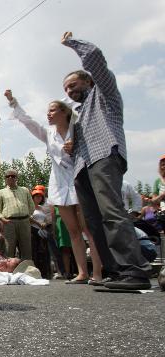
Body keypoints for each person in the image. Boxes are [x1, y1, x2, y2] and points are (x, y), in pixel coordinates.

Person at [61, 32, 152, 289]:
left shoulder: (104, 96)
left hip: (104, 157)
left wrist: (73, 43)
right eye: (66, 89)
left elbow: (96, 59)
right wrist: (72, 146)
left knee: (111, 212)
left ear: (89, 81)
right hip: (83, 167)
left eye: (73, 85)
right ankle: (115, 272)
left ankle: (134, 269)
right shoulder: (79, 116)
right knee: (93, 220)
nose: (69, 91)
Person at [5, 90, 103, 284]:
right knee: (73, 230)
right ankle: (82, 273)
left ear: (64, 112)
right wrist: (13, 102)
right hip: (60, 183)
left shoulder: (78, 129)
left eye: (52, 110)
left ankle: (98, 273)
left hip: (80, 180)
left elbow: (94, 147)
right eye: (48, 111)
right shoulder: (49, 134)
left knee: (89, 229)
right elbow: (29, 122)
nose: (48, 114)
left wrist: (75, 146)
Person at [0, 169, 34, 260]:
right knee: (9, 249)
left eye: (13, 176)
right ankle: (10, 272)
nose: (10, 178)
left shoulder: (25, 190)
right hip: (9, 223)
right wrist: (2, 219)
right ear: (5, 179)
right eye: (8, 176)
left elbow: (31, 205)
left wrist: (29, 216)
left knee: (26, 248)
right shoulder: (1, 192)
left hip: (24, 221)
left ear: (17, 178)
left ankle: (27, 271)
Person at [29, 188, 52, 279]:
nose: (38, 198)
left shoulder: (42, 208)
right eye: (36, 196)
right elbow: (29, 218)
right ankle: (35, 272)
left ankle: (44, 273)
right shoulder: (30, 207)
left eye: (40, 197)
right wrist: (39, 223)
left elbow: (46, 219)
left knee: (43, 252)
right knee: (34, 251)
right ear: (33, 197)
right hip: (33, 230)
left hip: (42, 231)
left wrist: (45, 224)